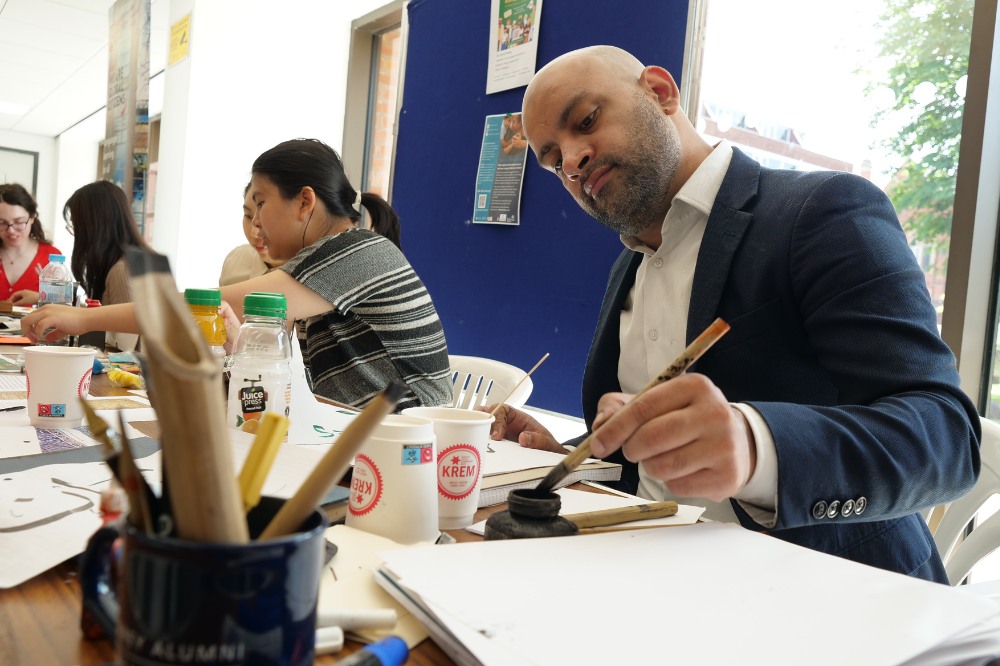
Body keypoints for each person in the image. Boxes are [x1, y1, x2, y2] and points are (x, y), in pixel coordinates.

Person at [491, 45, 981, 583]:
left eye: (585, 121)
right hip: (652, 581)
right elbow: (657, 468)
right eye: (554, 160)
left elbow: (947, 439)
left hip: (832, 598)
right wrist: (574, 454)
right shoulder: (626, 271)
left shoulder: (822, 213)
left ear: (660, 92)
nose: (574, 161)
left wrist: (756, 446)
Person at [21, 138, 453, 412]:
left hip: (412, 439)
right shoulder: (327, 259)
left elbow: (203, 303)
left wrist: (83, 318)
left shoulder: (356, 252)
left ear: (305, 202)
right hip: (348, 433)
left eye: (261, 204)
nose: (256, 224)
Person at [11, 180, 150, 307]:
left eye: (77, 225)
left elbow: (126, 329)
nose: (76, 234)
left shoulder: (122, 269)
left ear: (94, 226)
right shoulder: (131, 262)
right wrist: (40, 297)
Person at [0, 183, 61, 302]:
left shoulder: (52, 258)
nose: (11, 230)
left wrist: (39, 298)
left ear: (32, 217)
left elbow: (63, 305)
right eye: (2, 223)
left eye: (19, 222)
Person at [219, 183, 286, 286]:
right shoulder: (235, 261)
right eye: (248, 216)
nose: (254, 233)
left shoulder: (313, 278)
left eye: (267, 217)